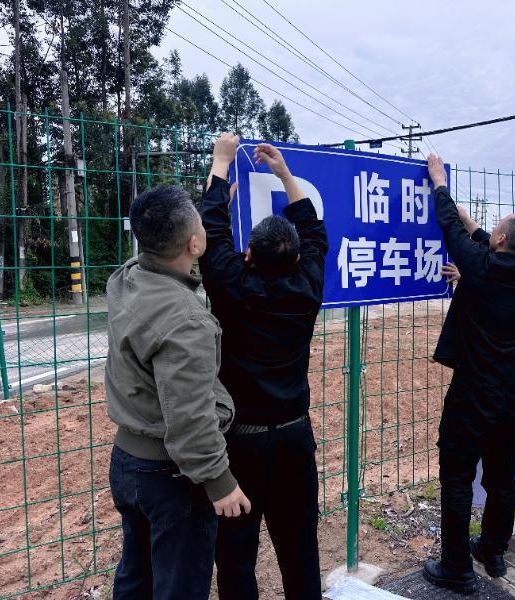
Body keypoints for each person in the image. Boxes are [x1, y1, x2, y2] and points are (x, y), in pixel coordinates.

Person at [106, 185, 251, 600]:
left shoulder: (126, 279)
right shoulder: (186, 320)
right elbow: (190, 417)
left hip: (127, 461)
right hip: (170, 475)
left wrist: (210, 205)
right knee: (180, 586)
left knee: (136, 575)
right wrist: (219, 482)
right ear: (194, 243)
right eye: (200, 222)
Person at [199, 134, 328, 600]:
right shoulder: (308, 287)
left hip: (242, 442)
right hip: (295, 437)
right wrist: (285, 174)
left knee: (236, 553)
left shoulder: (232, 286)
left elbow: (211, 233)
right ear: (297, 259)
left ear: (249, 254)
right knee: (300, 547)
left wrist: (221, 162)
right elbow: (314, 232)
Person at [423, 155, 515, 593]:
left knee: (457, 478)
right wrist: (470, 237)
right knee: (500, 477)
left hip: (471, 392)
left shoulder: (479, 266)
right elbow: (476, 239)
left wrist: (439, 183)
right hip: (508, 393)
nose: (488, 231)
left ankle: (456, 568)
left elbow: (451, 228)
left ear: (502, 238)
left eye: (496, 228)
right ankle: (492, 549)